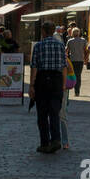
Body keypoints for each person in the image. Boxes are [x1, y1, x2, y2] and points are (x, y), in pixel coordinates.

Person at [29, 22, 68, 153]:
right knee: (54, 112)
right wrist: (63, 84)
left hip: (43, 80)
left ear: (43, 31)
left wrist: (32, 86)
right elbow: (64, 66)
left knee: (42, 114)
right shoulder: (60, 45)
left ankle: (45, 143)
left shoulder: (38, 46)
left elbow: (34, 67)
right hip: (57, 80)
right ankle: (56, 139)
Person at [66, 26, 87, 96]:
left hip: (72, 60)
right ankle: (77, 91)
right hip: (80, 60)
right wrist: (86, 59)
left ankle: (71, 87)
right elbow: (85, 51)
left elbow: (66, 51)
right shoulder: (83, 40)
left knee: (72, 74)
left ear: (72, 33)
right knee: (78, 75)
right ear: (78, 33)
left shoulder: (70, 41)